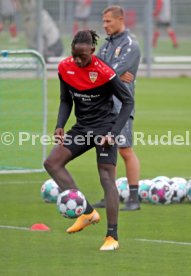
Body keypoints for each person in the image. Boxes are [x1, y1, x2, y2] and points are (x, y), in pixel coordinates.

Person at [44, 30, 134, 251]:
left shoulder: (104, 72)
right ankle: (87, 211)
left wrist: (112, 133)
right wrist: (59, 125)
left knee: (106, 177)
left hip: (105, 128)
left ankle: (112, 236)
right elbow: (66, 100)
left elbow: (128, 101)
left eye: (82, 56)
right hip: (82, 128)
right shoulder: (65, 68)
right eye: (74, 55)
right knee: (52, 163)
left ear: (92, 51)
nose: (77, 60)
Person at [92, 5, 141, 211]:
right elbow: (96, 70)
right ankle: (110, 195)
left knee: (125, 150)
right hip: (103, 105)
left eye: (108, 21)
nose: (105, 25)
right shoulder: (104, 46)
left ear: (121, 19)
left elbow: (109, 72)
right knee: (106, 150)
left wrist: (109, 74)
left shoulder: (131, 45)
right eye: (103, 22)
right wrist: (111, 75)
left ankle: (133, 198)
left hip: (121, 105)